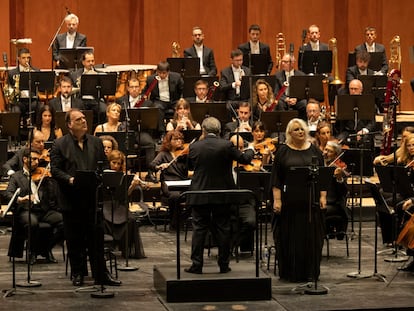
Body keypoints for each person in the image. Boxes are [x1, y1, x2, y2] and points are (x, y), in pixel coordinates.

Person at [50, 109, 121, 287]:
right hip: (71, 197)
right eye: (79, 119)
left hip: (91, 198)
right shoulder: (59, 144)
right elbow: (55, 170)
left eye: (84, 118)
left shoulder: (97, 142)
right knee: (74, 238)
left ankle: (101, 274)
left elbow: (103, 165)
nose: (83, 121)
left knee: (96, 238)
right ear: (69, 125)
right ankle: (78, 273)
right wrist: (70, 179)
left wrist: (102, 176)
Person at [185, 117, 254, 274]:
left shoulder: (194, 146)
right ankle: (224, 264)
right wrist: (251, 148)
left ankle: (196, 265)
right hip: (222, 194)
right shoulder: (226, 145)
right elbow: (244, 159)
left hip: (200, 194)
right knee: (223, 229)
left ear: (203, 129)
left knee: (199, 230)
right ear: (219, 130)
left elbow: (190, 166)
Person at [271, 118, 326, 282]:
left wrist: (323, 196)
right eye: (296, 130)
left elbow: (323, 177)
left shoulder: (315, 151)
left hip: (311, 202)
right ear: (289, 133)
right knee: (291, 238)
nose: (300, 132)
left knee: (312, 238)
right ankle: (291, 272)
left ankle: (310, 272)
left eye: (302, 129)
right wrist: (277, 200)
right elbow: (276, 180)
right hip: (290, 204)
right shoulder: (283, 152)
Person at [5, 148, 64, 264]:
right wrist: (20, 199)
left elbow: (52, 196)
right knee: (32, 224)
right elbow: (8, 193)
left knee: (65, 223)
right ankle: (32, 252)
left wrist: (50, 181)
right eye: (34, 159)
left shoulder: (43, 175)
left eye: (38, 159)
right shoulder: (16, 177)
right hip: (26, 210)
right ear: (25, 159)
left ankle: (45, 249)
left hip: (44, 210)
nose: (37, 162)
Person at [94, 102, 157, 183]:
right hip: (105, 155)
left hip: (121, 155)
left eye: (118, 111)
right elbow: (95, 144)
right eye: (114, 110)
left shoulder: (124, 126)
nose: (116, 112)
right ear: (107, 113)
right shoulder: (100, 127)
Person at [149, 130, 189, 229]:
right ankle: (175, 223)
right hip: (168, 183)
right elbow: (152, 165)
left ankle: (183, 219)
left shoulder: (184, 155)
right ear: (169, 141)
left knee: (196, 195)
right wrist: (159, 166)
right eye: (176, 139)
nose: (179, 141)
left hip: (183, 182)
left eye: (180, 139)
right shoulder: (163, 154)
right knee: (175, 196)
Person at [140, 61, 184, 134]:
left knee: (181, 107)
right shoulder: (151, 79)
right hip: (159, 101)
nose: (161, 75)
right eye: (159, 73)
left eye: (164, 73)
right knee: (157, 108)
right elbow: (144, 92)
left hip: (174, 100)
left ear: (168, 72)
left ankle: (179, 130)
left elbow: (183, 90)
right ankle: (162, 133)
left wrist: (181, 100)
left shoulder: (176, 77)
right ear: (157, 71)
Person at [323, 140, 350, 240]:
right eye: (325, 149)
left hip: (333, 204)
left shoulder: (338, 170)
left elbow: (343, 192)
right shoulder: (319, 166)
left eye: (329, 151)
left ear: (335, 155)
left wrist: (339, 178)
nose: (326, 153)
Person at [336, 79, 376, 144]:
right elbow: (339, 123)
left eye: (355, 89)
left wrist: (364, 130)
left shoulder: (368, 102)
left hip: (362, 131)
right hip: (347, 131)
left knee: (363, 140)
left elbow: (372, 122)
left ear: (361, 89)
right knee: (339, 140)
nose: (353, 91)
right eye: (351, 89)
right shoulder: (344, 102)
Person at [273, 54, 307, 120]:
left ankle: (303, 125)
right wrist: (286, 99)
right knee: (279, 103)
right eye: (282, 61)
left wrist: (296, 99)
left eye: (285, 62)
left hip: (297, 100)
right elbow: (276, 92)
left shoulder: (301, 75)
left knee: (304, 103)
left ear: (292, 63)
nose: (282, 64)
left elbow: (303, 92)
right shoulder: (277, 76)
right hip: (284, 100)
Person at [8, 48, 40, 116]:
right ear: (18, 59)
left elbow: (40, 88)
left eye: (28, 58)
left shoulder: (36, 71)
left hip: (32, 100)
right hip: (18, 101)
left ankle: (37, 126)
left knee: (40, 107)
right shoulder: (12, 73)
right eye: (23, 58)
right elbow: (9, 89)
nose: (26, 60)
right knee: (15, 110)